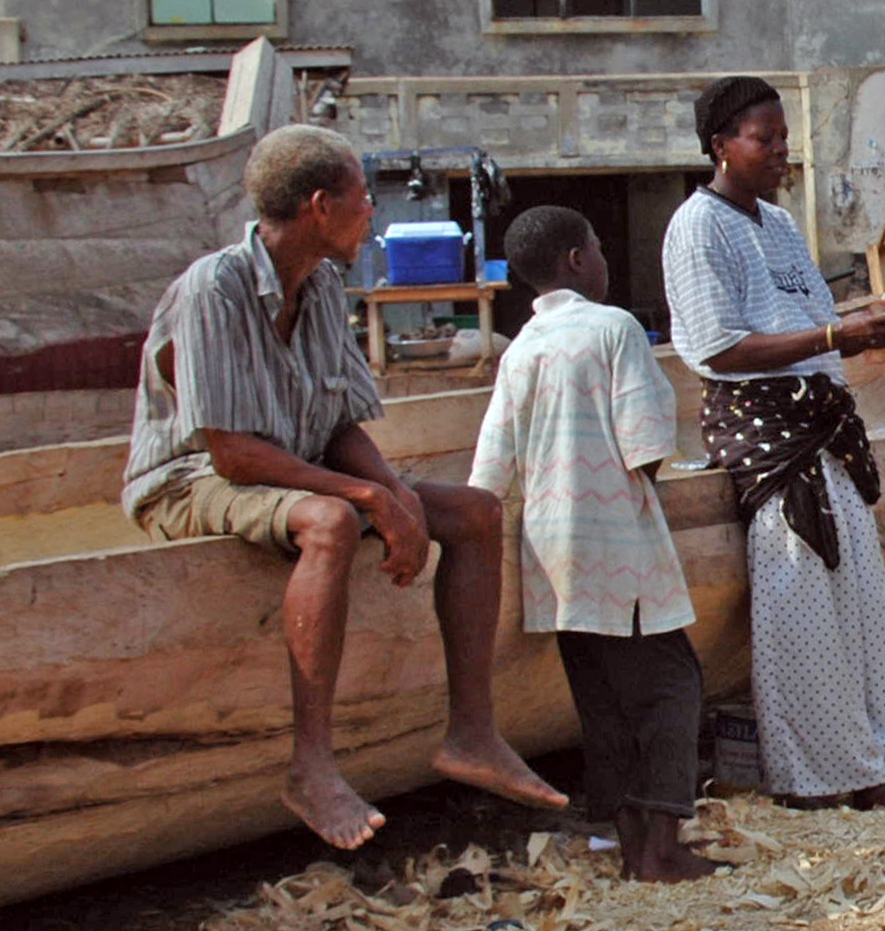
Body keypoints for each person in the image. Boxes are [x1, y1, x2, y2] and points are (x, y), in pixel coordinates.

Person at [119, 124, 567, 851]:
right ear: (320, 207)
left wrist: (394, 491)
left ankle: (472, 733)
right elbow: (232, 454)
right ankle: (311, 765)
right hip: (189, 478)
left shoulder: (325, 284)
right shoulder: (213, 288)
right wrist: (367, 499)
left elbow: (338, 426)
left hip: (288, 468)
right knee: (327, 522)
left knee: (476, 512)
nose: (371, 213)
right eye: (363, 199)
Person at [663, 75, 885, 811]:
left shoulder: (780, 224)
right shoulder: (697, 226)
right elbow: (718, 346)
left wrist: (874, 325)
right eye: (765, 139)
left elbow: (809, 323)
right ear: (720, 146)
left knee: (862, 598)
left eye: (785, 138)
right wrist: (833, 335)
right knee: (802, 601)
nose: (780, 152)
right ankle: (832, 772)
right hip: (767, 433)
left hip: (822, 424)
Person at [469, 206, 715, 883]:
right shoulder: (614, 328)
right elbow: (645, 445)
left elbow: (489, 471)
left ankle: (630, 843)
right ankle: (662, 847)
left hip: (548, 550)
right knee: (672, 685)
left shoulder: (520, 350)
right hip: (613, 540)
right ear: (577, 259)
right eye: (600, 248)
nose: (606, 260)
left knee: (601, 700)